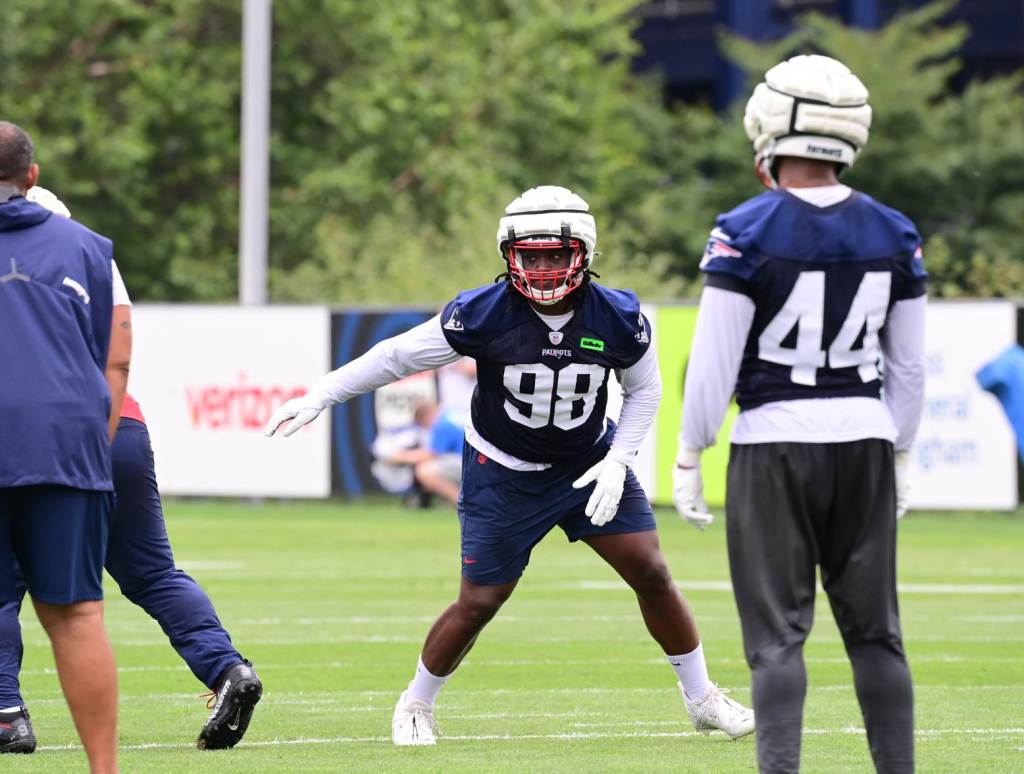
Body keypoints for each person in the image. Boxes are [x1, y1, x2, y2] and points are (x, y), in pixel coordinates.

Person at [266, 185, 754, 746]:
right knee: (479, 602)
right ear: (509, 255)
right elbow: (396, 356)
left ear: (584, 254)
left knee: (652, 571)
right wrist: (323, 394)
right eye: (531, 255)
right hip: (503, 469)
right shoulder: (482, 312)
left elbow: (645, 390)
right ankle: (416, 703)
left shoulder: (618, 315)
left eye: (555, 254)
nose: (543, 268)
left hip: (588, 458)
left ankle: (701, 698)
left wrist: (621, 459)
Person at [672, 56, 926, 774]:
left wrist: (691, 451)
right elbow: (908, 364)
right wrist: (901, 448)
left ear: (772, 130)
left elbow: (714, 360)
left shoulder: (746, 228)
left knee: (777, 639)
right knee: (877, 636)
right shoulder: (894, 230)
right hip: (865, 439)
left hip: (774, 443)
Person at [0, 186, 263, 754]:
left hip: (28, 440)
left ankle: (5, 712)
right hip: (117, 427)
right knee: (151, 574)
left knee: (6, 585)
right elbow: (118, 356)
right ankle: (226, 671)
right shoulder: (93, 256)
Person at [0, 121, 125, 772]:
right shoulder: (87, 247)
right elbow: (108, 353)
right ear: (34, 174)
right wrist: (90, 442)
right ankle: (104, 769)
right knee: (76, 618)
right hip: (63, 445)